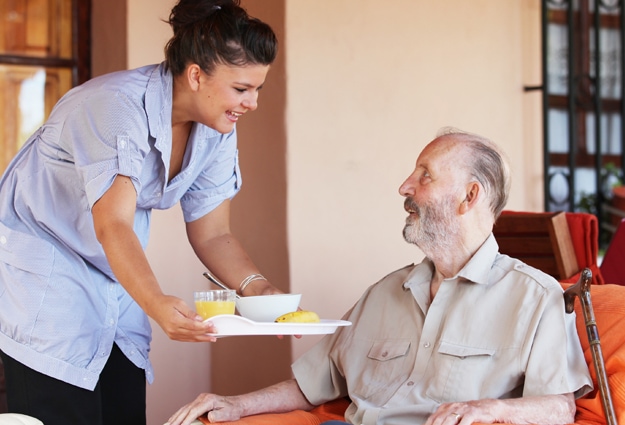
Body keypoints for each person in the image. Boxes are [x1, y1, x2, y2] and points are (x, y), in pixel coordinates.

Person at [166, 128, 593, 425]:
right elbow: (315, 382)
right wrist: (235, 404)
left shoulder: (534, 298)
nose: (405, 186)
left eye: (425, 175)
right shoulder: (384, 293)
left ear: (470, 196)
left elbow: (558, 407)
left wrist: (488, 410)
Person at [0, 1, 285, 424]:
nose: (253, 103)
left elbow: (212, 234)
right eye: (242, 89)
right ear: (195, 75)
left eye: (258, 89)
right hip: (49, 281)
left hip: (117, 276)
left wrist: (260, 292)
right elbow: (112, 223)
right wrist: (156, 303)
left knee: (123, 409)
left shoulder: (217, 128)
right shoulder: (114, 108)